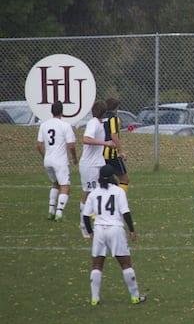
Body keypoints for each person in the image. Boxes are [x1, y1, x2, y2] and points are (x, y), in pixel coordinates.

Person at [82, 164, 145, 305]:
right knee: (126, 264)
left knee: (97, 265)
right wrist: (132, 230)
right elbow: (125, 212)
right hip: (115, 229)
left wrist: (90, 232)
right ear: (112, 177)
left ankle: (94, 298)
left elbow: (85, 216)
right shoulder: (118, 191)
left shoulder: (93, 193)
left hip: (99, 230)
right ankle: (135, 297)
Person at [79, 100, 116, 238]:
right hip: (89, 165)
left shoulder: (99, 123)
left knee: (110, 186)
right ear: (104, 112)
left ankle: (103, 221)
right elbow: (86, 139)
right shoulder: (93, 123)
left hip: (98, 163)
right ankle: (84, 226)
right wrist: (105, 143)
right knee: (89, 194)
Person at [36, 101, 77, 221]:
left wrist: (44, 156)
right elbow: (71, 146)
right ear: (62, 111)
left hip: (48, 160)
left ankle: (51, 211)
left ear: (51, 111)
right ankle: (59, 213)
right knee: (65, 186)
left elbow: (38, 145)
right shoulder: (65, 126)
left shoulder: (44, 125)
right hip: (60, 161)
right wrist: (74, 158)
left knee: (55, 184)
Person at [103, 98, 129, 192]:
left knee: (107, 179)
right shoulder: (114, 118)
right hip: (111, 152)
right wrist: (121, 151)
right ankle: (119, 200)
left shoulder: (101, 118)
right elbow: (114, 135)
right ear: (116, 108)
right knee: (124, 179)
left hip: (100, 152)